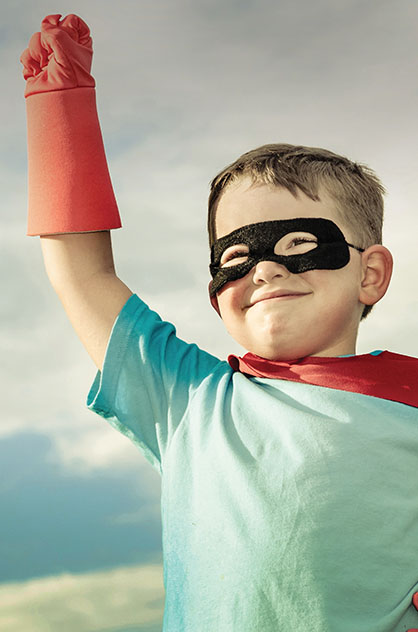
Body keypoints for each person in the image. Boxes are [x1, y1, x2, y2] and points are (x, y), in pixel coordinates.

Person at [20, 13, 418, 632]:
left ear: (370, 274)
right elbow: (82, 273)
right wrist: (57, 105)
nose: (262, 272)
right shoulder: (186, 401)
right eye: (235, 257)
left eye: (295, 246)